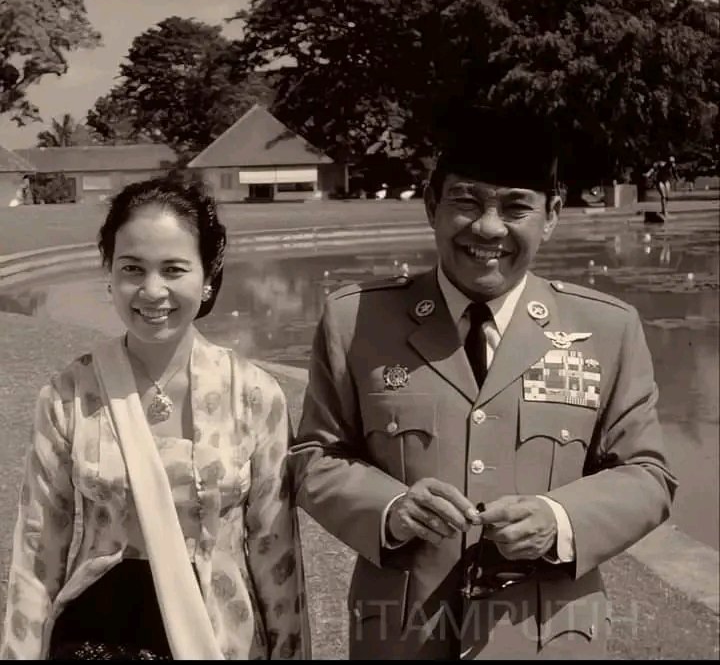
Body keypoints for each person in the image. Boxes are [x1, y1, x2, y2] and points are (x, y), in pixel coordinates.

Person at [289, 106, 677, 659]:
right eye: (466, 201)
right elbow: (313, 457)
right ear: (432, 205)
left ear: (553, 215)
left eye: (516, 207)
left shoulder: (606, 328)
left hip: (550, 642)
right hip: (400, 639)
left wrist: (559, 520)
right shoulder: (355, 322)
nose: (489, 228)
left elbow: (648, 475)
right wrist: (390, 507)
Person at [1, 176, 310, 660]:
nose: (152, 290)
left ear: (208, 275)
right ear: (109, 273)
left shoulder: (253, 396)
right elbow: (38, 553)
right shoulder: (69, 394)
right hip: (94, 638)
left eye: (173, 269)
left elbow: (276, 554)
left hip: (217, 634)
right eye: (132, 268)